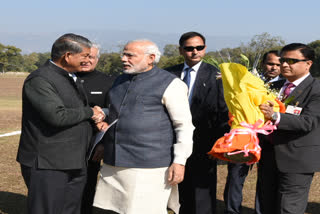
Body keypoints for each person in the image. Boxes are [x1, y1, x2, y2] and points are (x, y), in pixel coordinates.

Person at [93, 39, 194, 214]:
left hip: (149, 166)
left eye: (130, 55)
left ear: (151, 58)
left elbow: (183, 126)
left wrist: (179, 161)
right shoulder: (119, 81)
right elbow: (118, 113)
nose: (123, 59)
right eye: (123, 54)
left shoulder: (171, 84)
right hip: (113, 164)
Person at [16, 33, 105, 214]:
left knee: (70, 210)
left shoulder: (70, 76)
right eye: (85, 56)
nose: (88, 60)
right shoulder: (40, 79)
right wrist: (90, 112)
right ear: (67, 56)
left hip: (74, 160)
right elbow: (56, 116)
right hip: (48, 163)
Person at [165, 31, 229, 214]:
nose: (195, 52)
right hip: (173, 141)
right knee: (178, 189)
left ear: (205, 49)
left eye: (199, 47)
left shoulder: (218, 76)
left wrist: (218, 144)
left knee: (201, 192)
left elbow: (223, 112)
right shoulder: (168, 74)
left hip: (204, 142)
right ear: (180, 50)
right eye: (189, 48)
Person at [259, 43, 319, 214]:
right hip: (268, 157)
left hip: (297, 160)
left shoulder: (316, 89)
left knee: (288, 208)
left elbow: (308, 122)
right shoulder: (273, 87)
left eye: (292, 61)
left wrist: (275, 116)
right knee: (266, 206)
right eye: (283, 60)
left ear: (308, 63)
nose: (284, 65)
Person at [223, 50, 283, 214]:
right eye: (271, 63)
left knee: (266, 180)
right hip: (244, 137)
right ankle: (232, 210)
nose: (274, 68)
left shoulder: (286, 86)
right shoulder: (246, 81)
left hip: (271, 139)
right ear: (263, 63)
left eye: (278, 65)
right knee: (236, 176)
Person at [77, 44, 117, 214]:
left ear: (97, 59)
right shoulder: (66, 78)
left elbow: (114, 114)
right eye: (83, 56)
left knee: (88, 182)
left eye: (91, 57)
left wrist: (103, 142)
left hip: (93, 145)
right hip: (64, 143)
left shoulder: (109, 82)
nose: (87, 61)